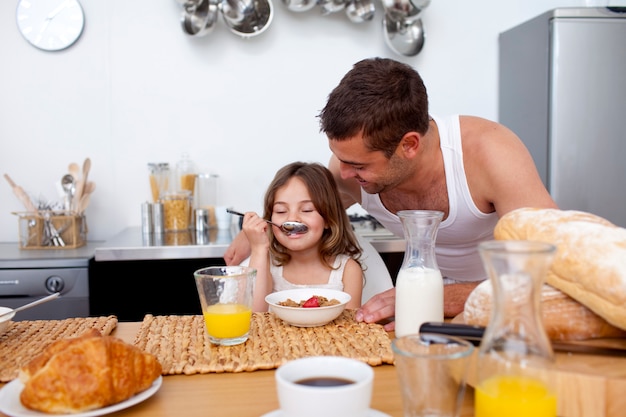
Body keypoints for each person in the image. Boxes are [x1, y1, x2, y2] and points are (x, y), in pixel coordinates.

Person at [226, 57, 557, 329]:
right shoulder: (347, 168)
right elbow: (306, 209)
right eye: (340, 158)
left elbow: (555, 272)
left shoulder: (490, 154)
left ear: (409, 145)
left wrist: (444, 297)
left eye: (358, 165)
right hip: (419, 310)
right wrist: (262, 227)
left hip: (503, 310)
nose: (343, 175)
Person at [239, 162, 364, 312]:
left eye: (306, 209)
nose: (292, 219)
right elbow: (252, 318)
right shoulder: (266, 265)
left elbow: (350, 330)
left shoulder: (347, 271)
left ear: (328, 219)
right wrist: (259, 249)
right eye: (280, 211)